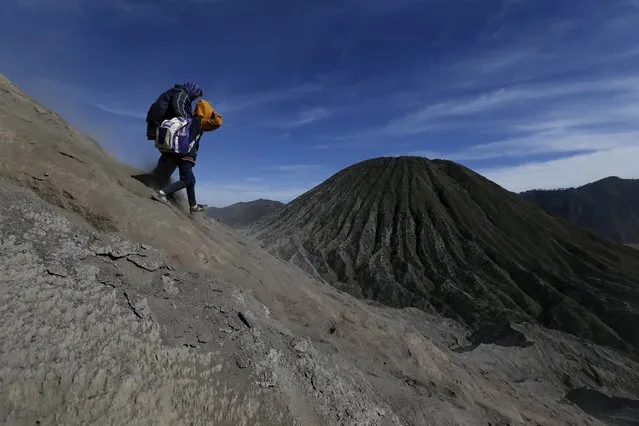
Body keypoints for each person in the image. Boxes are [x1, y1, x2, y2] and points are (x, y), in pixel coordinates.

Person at [153, 98, 223, 213]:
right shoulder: (199, 121)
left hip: (178, 153)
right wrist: (214, 113)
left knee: (191, 180)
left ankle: (193, 206)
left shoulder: (189, 120)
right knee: (186, 180)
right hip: (186, 155)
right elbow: (218, 122)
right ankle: (162, 193)